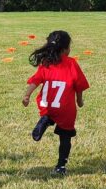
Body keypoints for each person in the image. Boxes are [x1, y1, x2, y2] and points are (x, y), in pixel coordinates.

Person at [21, 30, 90, 175]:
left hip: (47, 105)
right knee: (65, 137)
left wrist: (27, 95)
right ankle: (60, 166)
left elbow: (35, 81)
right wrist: (80, 100)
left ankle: (46, 119)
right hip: (65, 108)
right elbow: (79, 85)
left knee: (48, 114)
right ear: (65, 49)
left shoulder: (46, 63)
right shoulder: (71, 63)